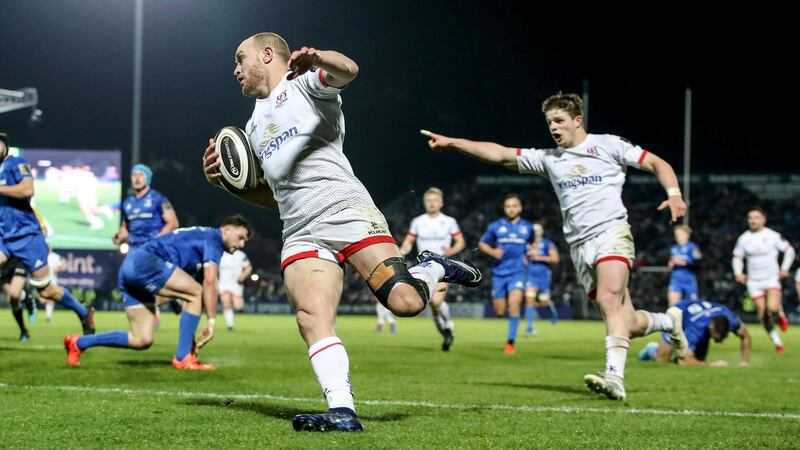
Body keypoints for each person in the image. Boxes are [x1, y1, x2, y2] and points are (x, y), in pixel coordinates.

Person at [202, 32, 482, 431]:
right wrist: (227, 183)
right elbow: (276, 197)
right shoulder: (251, 127)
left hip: (344, 209)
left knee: (404, 302)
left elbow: (349, 70)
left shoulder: (305, 83)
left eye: (239, 58)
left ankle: (433, 268)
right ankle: (343, 411)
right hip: (299, 228)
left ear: (267, 55)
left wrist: (318, 58)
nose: (235, 69)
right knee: (310, 318)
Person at [422, 92, 689, 401]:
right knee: (625, 322)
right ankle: (669, 320)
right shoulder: (550, 158)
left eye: (559, 121)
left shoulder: (609, 145)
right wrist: (453, 142)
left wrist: (673, 193)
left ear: (578, 121)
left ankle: (614, 377)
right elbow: (499, 154)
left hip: (612, 233)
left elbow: (658, 162)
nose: (554, 127)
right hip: (579, 245)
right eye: (550, 122)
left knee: (609, 297)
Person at [63, 216, 252, 369]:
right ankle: (183, 358)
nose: (242, 244)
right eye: (241, 237)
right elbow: (209, 283)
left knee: (142, 339)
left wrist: (190, 339)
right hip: (147, 262)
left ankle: (78, 343)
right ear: (226, 229)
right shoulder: (214, 239)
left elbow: (189, 300)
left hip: (130, 266)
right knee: (196, 292)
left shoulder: (198, 242)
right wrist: (211, 321)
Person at [0, 131, 95, 336]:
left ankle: (83, 311)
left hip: (27, 237)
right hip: (3, 237)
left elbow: (27, 190)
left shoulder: (17, 163)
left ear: (4, 145)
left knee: (47, 290)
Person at [113, 163, 182, 321]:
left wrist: (155, 241)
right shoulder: (127, 203)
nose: (137, 178)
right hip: (134, 250)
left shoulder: (159, 199)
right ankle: (169, 298)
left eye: (141, 175)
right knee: (138, 285)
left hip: (152, 249)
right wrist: (119, 235)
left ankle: (155, 313)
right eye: (134, 175)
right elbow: (125, 227)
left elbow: (173, 223)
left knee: (145, 284)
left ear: (148, 178)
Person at [399, 187, 465, 350]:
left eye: (435, 200)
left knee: (436, 301)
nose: (432, 203)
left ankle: (448, 325)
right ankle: (446, 331)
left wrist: (451, 251)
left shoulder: (449, 222)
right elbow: (409, 241)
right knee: (433, 306)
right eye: (428, 200)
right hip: (423, 268)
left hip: (443, 267)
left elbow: (461, 242)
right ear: (424, 203)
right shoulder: (418, 222)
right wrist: (402, 251)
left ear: (441, 203)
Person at [732, 208, 795, 353]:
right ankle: (777, 343)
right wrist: (738, 273)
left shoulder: (772, 235)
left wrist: (784, 268)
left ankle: (780, 314)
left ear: (763, 219)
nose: (753, 220)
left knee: (772, 308)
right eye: (750, 217)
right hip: (754, 281)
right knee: (763, 313)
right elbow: (737, 256)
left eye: (756, 217)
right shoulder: (744, 238)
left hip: (771, 278)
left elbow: (789, 250)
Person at [478, 194, 533, 354]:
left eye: (514, 206)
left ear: (520, 208)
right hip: (499, 273)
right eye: (508, 206)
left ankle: (510, 342)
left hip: (517, 272)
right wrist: (493, 251)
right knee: (500, 311)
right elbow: (482, 243)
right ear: (504, 209)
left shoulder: (528, 227)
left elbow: (532, 243)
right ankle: (502, 314)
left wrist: (529, 253)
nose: (511, 209)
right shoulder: (496, 226)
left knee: (514, 305)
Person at [638, 299, 751, 367]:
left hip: (697, 316)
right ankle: (651, 350)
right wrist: (713, 365)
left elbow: (746, 336)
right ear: (711, 329)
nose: (721, 341)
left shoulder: (731, 318)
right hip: (679, 315)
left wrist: (744, 362)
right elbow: (684, 361)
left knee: (699, 360)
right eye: (719, 338)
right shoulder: (697, 329)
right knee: (662, 360)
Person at [524, 223, 560, 334]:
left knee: (544, 301)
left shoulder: (547, 244)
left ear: (541, 232)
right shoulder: (527, 244)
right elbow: (523, 259)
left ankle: (552, 311)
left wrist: (539, 257)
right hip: (531, 274)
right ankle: (530, 328)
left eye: (536, 230)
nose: (534, 232)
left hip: (543, 274)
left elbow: (555, 259)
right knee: (529, 298)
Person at [0, 255, 34, 341]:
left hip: (18, 260)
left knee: (14, 294)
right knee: (12, 300)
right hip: (4, 265)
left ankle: (28, 300)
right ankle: (24, 330)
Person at [218, 249, 252, 331]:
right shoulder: (220, 254)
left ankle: (235, 308)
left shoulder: (240, 255)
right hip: (223, 284)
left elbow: (249, 267)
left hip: (236, 284)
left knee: (238, 306)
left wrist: (243, 276)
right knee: (226, 303)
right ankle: (230, 325)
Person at [667, 225, 702, 305]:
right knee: (672, 306)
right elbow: (670, 262)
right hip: (676, 280)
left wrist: (684, 263)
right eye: (676, 234)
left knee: (693, 306)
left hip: (689, 280)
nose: (677, 236)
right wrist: (671, 263)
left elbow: (698, 264)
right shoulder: (673, 248)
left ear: (687, 235)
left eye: (680, 234)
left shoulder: (693, 247)